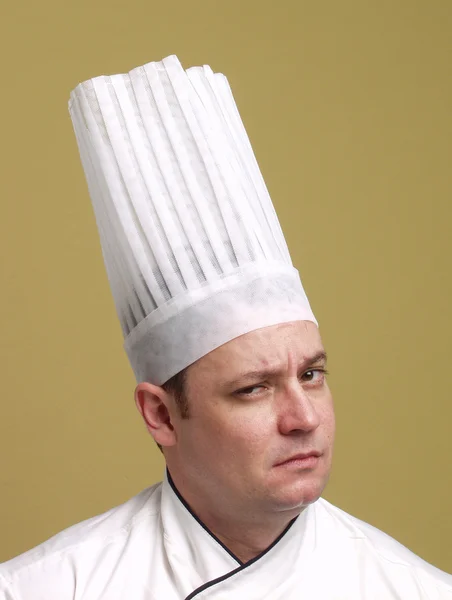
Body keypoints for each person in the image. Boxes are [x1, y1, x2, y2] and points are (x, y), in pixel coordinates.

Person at [0, 55, 450, 600]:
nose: (304, 418)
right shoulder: (44, 588)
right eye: (254, 389)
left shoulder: (414, 590)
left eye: (311, 374)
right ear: (161, 414)